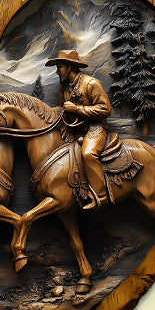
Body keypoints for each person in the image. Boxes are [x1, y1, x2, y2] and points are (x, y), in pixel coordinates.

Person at [46, 49, 112, 210]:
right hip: (74, 130)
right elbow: (62, 109)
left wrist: (77, 109)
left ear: (69, 67)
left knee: (88, 154)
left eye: (60, 67)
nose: (57, 71)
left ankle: (101, 196)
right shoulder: (64, 87)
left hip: (95, 127)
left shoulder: (91, 83)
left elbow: (105, 109)